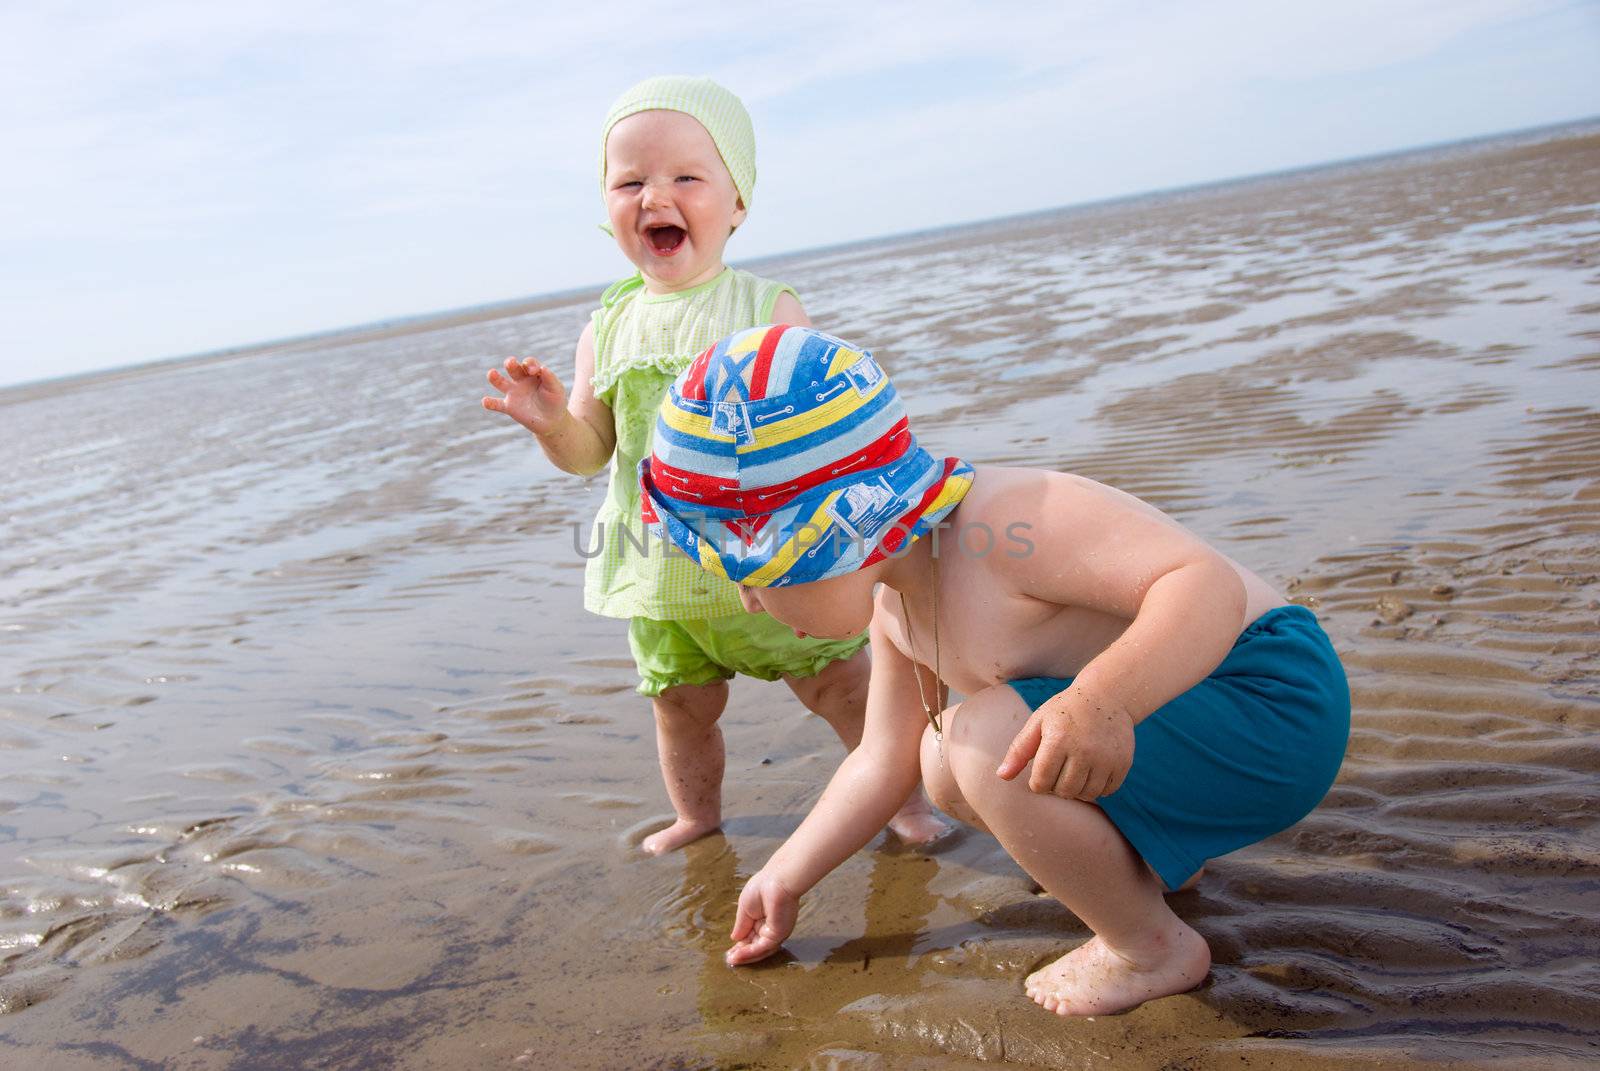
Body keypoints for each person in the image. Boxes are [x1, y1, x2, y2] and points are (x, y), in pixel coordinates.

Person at [639, 324, 1351, 1015]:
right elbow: (881, 761)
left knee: (982, 740)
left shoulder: (1007, 522)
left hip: (1273, 699)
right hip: (1186, 727)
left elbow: (1204, 584)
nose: (746, 598)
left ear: (837, 530)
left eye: (756, 570)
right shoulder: (897, 609)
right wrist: (784, 874)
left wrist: (1106, 698)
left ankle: (1150, 946)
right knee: (942, 755)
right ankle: (1156, 864)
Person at [481, 77, 945, 855]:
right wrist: (552, 423)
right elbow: (592, 451)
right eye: (630, 180)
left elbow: (823, 438)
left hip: (773, 565)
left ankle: (906, 806)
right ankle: (698, 816)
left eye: (685, 177)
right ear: (607, 208)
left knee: (845, 688)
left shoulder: (768, 308)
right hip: (661, 574)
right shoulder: (609, 323)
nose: (654, 194)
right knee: (679, 706)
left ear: (736, 203)